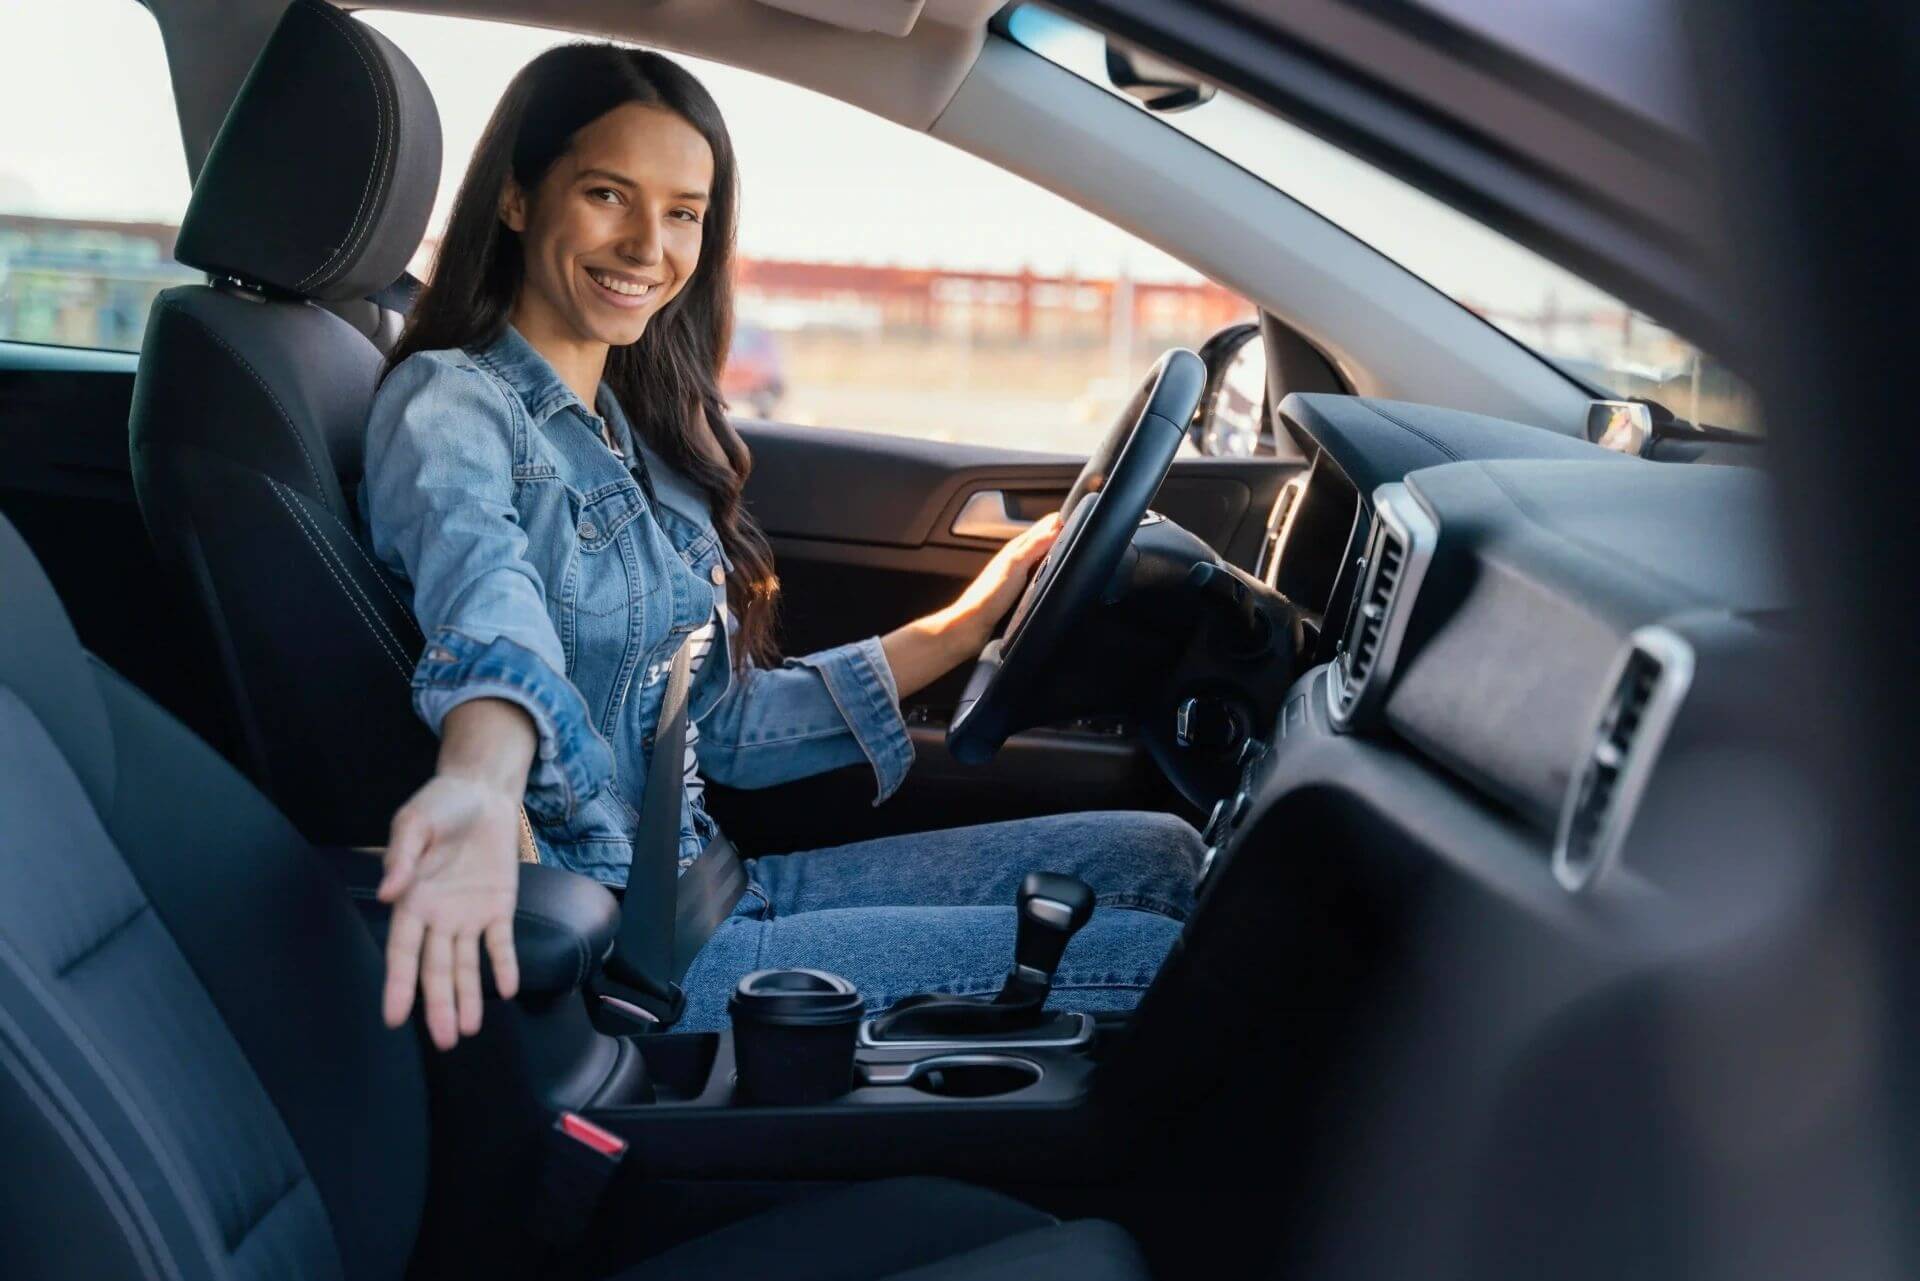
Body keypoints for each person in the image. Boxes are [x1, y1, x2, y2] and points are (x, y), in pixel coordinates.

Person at [359, 42, 1202, 1048]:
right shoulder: (451, 402)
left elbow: (722, 730)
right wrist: (479, 780)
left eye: (682, 212)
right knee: (1172, 967)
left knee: (1163, 855)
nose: (647, 246)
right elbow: (486, 603)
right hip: (635, 950)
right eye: (606, 195)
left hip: (714, 884)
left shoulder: (637, 439)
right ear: (514, 200)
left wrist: (969, 622)